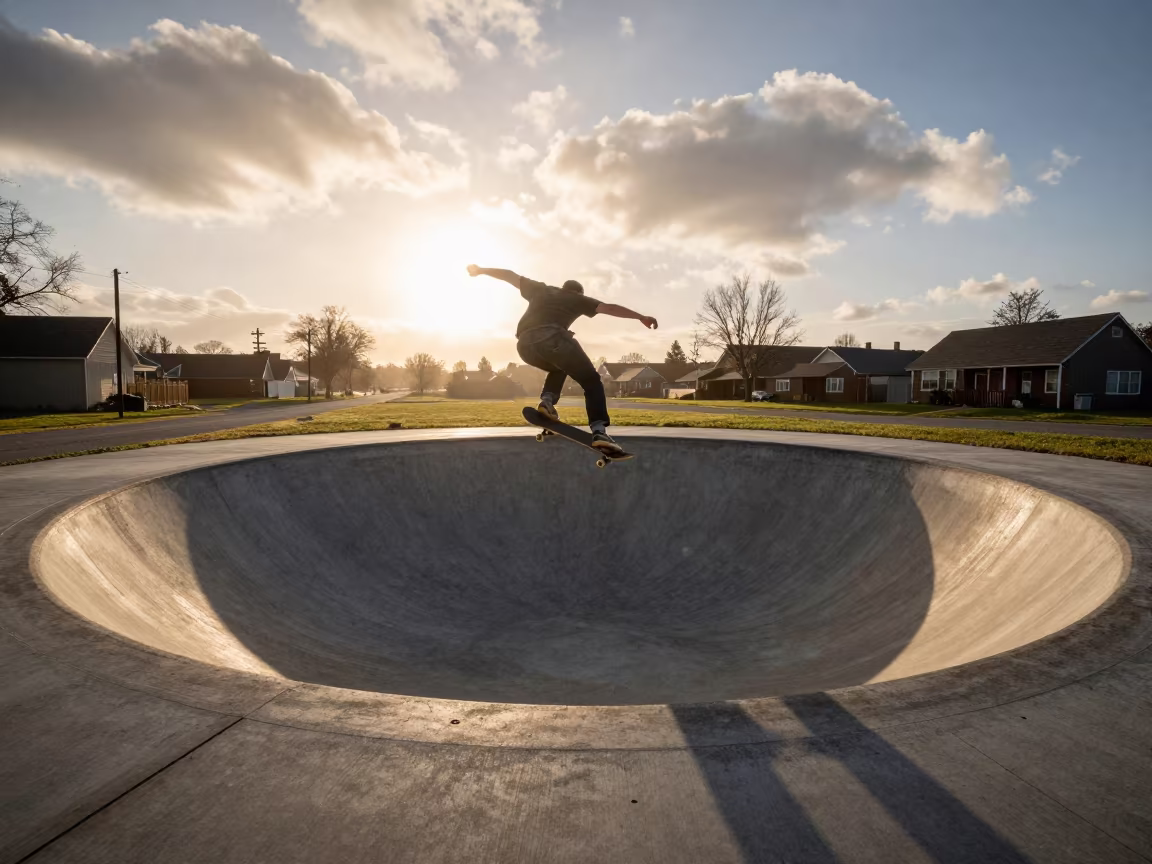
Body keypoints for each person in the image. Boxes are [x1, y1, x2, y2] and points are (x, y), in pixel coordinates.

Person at [466, 264, 658, 454]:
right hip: (554, 339)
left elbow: (509, 275)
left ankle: (547, 402)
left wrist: (481, 270)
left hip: (524, 346)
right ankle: (599, 432)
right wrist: (641, 317)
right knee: (591, 381)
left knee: (559, 367)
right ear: (578, 292)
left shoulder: (540, 289)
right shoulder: (578, 298)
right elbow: (610, 308)